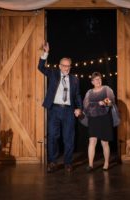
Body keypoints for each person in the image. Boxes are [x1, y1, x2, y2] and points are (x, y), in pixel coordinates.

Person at [38, 42, 82, 173]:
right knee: (53, 137)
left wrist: (79, 108)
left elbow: (77, 95)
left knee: (69, 138)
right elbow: (40, 67)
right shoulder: (53, 73)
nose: (66, 68)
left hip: (69, 110)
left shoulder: (75, 79)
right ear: (59, 66)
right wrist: (46, 53)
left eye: (68, 66)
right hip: (55, 109)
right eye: (64, 66)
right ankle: (52, 162)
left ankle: (68, 163)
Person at [83, 72, 116, 172]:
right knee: (92, 141)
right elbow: (86, 105)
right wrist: (98, 103)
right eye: (96, 79)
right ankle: (90, 165)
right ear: (92, 82)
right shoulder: (89, 92)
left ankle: (106, 163)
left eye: (99, 79)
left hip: (104, 118)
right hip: (93, 118)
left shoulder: (107, 89)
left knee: (104, 142)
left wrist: (105, 102)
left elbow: (112, 102)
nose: (98, 81)